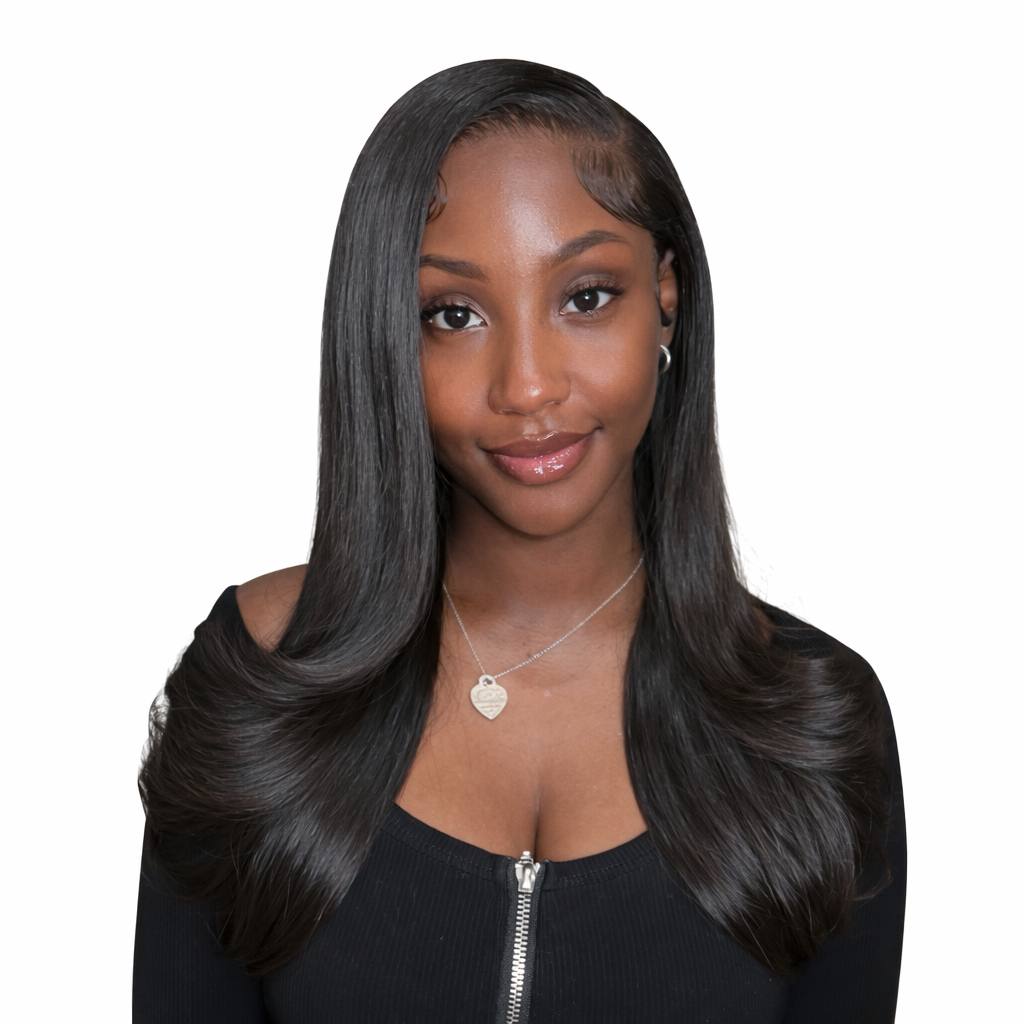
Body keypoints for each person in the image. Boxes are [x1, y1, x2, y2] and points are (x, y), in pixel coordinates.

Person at [133, 60, 905, 1023]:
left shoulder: (811, 726)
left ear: (665, 295)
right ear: (387, 338)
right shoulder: (259, 686)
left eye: (586, 297)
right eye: (453, 315)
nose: (528, 385)